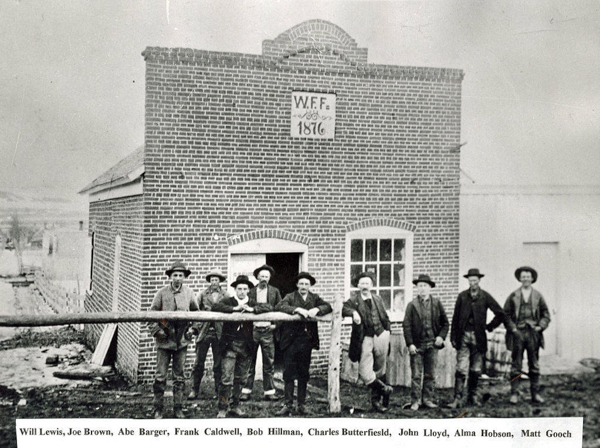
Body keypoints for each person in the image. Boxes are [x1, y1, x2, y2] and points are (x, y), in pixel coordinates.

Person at [448, 268, 515, 408]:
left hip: (479, 338)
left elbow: (500, 313)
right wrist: (453, 336)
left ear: (479, 280)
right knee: (461, 368)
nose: (472, 283)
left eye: (475, 280)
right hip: (463, 336)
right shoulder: (462, 297)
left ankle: (472, 397)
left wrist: (490, 326)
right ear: (468, 281)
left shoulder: (485, 297)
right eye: (470, 280)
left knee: (476, 369)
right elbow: (455, 318)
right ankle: (457, 399)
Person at [275, 272, 332, 416]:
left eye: (306, 284)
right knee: (288, 373)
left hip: (306, 341)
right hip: (290, 341)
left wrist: (316, 309)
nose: (303, 287)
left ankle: (301, 405)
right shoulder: (290, 296)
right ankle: (288, 405)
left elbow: (328, 306)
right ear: (297, 285)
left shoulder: (314, 298)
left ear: (310, 285)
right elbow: (280, 305)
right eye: (301, 284)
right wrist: (297, 309)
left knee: (303, 373)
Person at [148, 261, 198, 419]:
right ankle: (158, 408)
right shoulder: (162, 293)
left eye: (180, 276)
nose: (178, 278)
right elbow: (151, 315)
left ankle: (178, 407)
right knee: (160, 376)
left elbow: (197, 314)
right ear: (170, 277)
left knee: (179, 376)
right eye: (175, 275)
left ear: (184, 278)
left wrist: (192, 329)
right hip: (165, 341)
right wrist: (158, 331)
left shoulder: (189, 293)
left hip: (181, 341)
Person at [342, 272, 393, 413]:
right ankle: (384, 389)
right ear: (358, 285)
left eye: (367, 283)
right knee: (365, 372)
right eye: (362, 283)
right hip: (365, 338)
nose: (364, 286)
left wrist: (387, 330)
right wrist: (353, 312)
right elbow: (343, 308)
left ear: (371, 285)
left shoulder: (378, 299)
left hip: (381, 334)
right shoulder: (354, 300)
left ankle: (377, 402)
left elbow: (385, 316)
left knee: (380, 369)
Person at [504, 266, 551, 404]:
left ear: (532, 279)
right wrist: (512, 328)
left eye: (528, 277)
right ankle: (514, 394)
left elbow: (546, 315)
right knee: (516, 365)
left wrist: (539, 327)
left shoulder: (538, 296)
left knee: (534, 364)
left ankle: (535, 394)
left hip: (532, 334)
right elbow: (505, 315)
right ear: (520, 279)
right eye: (523, 277)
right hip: (518, 334)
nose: (525, 279)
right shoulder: (513, 295)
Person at [211, 275, 256, 418]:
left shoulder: (252, 302)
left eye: (244, 289)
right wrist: (234, 308)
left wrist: (252, 310)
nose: (242, 291)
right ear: (235, 290)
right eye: (239, 289)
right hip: (230, 345)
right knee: (226, 379)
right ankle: (222, 407)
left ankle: (235, 406)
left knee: (241, 379)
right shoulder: (228, 301)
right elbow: (215, 306)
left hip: (245, 346)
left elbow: (267, 307)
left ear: (248, 290)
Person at [403, 274, 449, 411]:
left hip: (432, 344)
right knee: (416, 375)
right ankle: (415, 401)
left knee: (430, 374)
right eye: (420, 286)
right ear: (417, 288)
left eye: (425, 286)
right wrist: (410, 344)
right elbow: (406, 326)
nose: (422, 289)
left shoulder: (437, 304)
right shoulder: (412, 305)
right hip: (417, 346)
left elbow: (445, 323)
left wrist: (441, 337)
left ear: (430, 288)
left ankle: (427, 399)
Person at [241, 264, 282, 402]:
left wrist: (275, 325)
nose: (264, 278)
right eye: (262, 276)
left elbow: (279, 308)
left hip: (267, 331)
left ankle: (269, 392)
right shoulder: (250, 291)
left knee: (269, 362)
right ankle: (245, 391)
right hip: (252, 331)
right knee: (249, 360)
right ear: (257, 277)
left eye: (267, 276)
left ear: (269, 278)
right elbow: (247, 306)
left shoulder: (275, 292)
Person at [188, 269, 228, 400]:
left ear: (220, 281)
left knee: (218, 364)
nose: (214, 282)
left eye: (216, 280)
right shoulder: (202, 294)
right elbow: (196, 312)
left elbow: (229, 312)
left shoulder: (226, 295)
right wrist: (195, 328)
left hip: (219, 333)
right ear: (209, 281)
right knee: (199, 363)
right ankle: (194, 390)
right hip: (204, 332)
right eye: (212, 280)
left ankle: (218, 391)